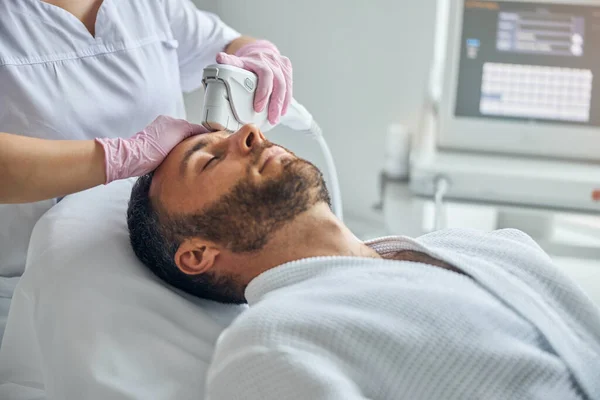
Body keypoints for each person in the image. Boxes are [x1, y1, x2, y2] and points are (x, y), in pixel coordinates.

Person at [127, 124, 600, 400]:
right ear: (197, 254)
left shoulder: (488, 246)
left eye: (234, 133)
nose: (249, 133)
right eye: (208, 160)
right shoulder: (269, 345)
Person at [0, 0, 292, 343]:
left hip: (169, 275)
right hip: (32, 284)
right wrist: (120, 156)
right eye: (205, 160)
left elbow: (224, 44)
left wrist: (255, 53)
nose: (250, 137)